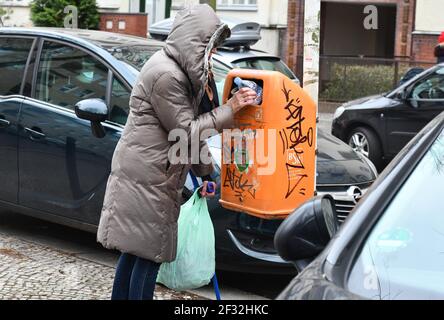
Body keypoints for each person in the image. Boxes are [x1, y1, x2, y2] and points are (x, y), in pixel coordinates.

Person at [96, 4, 257, 300]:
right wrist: (231, 109)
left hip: (153, 173)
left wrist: (206, 173)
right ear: (193, 43)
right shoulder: (167, 75)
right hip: (149, 176)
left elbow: (186, 134)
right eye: (209, 49)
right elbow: (185, 132)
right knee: (149, 255)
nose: (211, 56)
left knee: (137, 253)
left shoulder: (176, 70)